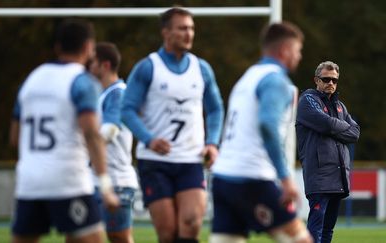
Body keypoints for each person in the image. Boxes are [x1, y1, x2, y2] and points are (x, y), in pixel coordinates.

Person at [9, 19, 118, 243]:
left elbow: (15, 138)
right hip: (67, 181)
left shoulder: (31, 80)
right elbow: (91, 134)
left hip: (29, 183)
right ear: (89, 47)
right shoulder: (83, 82)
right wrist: (106, 185)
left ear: (58, 47)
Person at [121, 7, 224, 243]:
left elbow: (216, 109)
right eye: (182, 28)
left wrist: (212, 143)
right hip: (155, 162)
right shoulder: (148, 67)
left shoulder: (202, 69)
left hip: (190, 159)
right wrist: (149, 139)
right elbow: (126, 110)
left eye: (191, 28)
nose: (188, 33)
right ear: (166, 32)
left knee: (191, 223)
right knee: (167, 232)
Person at [210, 21, 312, 243]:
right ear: (285, 51)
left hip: (223, 178)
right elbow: (267, 124)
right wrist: (285, 179)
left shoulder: (247, 77)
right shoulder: (277, 81)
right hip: (251, 178)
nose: (299, 56)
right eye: (298, 50)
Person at [296, 61, 360, 243]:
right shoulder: (307, 100)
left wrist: (334, 127)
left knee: (328, 229)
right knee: (316, 227)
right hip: (319, 176)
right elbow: (326, 123)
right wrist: (339, 128)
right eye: (326, 79)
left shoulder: (340, 106)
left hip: (338, 176)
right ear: (316, 80)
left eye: (334, 80)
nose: (330, 83)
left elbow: (355, 134)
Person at [88, 42, 139, 243]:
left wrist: (80, 146)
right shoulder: (102, 94)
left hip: (115, 181)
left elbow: (109, 130)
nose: (88, 67)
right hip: (95, 179)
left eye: (93, 62)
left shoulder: (118, 93)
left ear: (105, 65)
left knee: (119, 238)